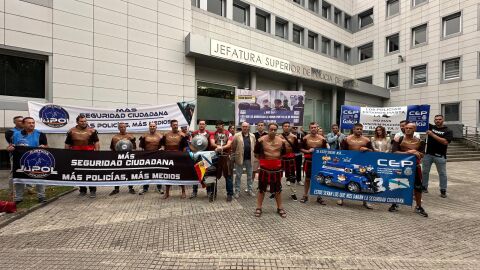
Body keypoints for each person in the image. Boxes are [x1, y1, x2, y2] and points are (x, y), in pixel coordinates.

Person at [390, 123, 428, 217]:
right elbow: (394, 152)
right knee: (397, 184)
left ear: (414, 129)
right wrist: (410, 152)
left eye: (410, 128)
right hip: (400, 167)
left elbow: (422, 154)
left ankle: (418, 206)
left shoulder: (420, 141)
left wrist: (417, 152)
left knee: (418, 187)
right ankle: (395, 203)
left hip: (415, 167)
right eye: (406, 128)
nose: (407, 129)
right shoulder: (399, 140)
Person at [7, 117, 48, 204]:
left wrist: (43, 147)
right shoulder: (16, 134)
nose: (31, 124)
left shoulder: (40, 134)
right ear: (23, 124)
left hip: (35, 159)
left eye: (33, 123)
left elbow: (46, 146)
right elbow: (11, 146)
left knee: (39, 177)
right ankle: (18, 198)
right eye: (29, 123)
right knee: (19, 178)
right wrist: (9, 148)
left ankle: (41, 196)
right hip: (19, 159)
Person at [253, 123, 287, 218]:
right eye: (271, 129)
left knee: (277, 189)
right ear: (268, 129)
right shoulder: (260, 140)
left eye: (274, 130)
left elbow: (283, 154)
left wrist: (275, 162)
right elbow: (256, 153)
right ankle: (259, 207)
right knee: (261, 189)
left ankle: (280, 207)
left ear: (277, 130)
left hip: (276, 169)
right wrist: (265, 162)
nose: (273, 131)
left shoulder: (281, 141)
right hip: (264, 168)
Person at [339, 123, 374, 209]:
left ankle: (366, 201)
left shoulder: (366, 140)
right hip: (349, 163)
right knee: (344, 178)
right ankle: (341, 198)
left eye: (360, 129)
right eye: (357, 129)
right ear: (353, 129)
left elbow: (373, 151)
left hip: (363, 163)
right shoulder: (347, 139)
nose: (359, 130)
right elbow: (342, 152)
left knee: (365, 180)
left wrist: (367, 149)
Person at [65, 114, 100, 198]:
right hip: (76, 155)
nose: (83, 122)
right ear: (77, 122)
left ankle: (92, 190)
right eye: (81, 121)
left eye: (85, 121)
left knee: (90, 173)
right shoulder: (71, 131)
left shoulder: (92, 131)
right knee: (79, 172)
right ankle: (82, 190)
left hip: (89, 154)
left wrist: (97, 153)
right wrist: (66, 154)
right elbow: (67, 144)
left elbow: (96, 142)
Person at [422, 115, 453, 197]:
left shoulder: (448, 130)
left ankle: (443, 190)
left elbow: (445, 142)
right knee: (424, 172)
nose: (437, 121)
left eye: (439, 119)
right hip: (428, 154)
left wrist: (432, 134)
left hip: (440, 156)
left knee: (442, 173)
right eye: (436, 119)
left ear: (443, 120)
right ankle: (424, 187)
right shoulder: (431, 127)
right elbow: (421, 121)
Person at [299, 122, 328, 205]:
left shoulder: (322, 139)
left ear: (317, 128)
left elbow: (326, 150)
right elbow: (300, 148)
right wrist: (307, 151)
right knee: (307, 179)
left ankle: (319, 196)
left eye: (315, 127)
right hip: (308, 161)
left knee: (319, 178)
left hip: (319, 162)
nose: (313, 129)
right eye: (312, 127)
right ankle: (305, 195)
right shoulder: (305, 138)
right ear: (309, 128)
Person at [160, 119, 188, 199]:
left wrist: (182, 155)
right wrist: (162, 149)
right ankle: (167, 193)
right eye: (174, 125)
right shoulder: (166, 135)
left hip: (178, 157)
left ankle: (183, 191)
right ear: (171, 126)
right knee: (168, 174)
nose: (175, 126)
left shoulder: (182, 135)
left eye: (176, 125)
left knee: (180, 174)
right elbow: (162, 144)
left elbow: (185, 147)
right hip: (168, 157)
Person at [210, 120, 234, 202]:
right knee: (213, 175)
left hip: (226, 156)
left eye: (219, 126)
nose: (218, 128)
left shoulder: (229, 133)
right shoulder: (213, 134)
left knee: (228, 176)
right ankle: (212, 193)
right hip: (216, 156)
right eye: (216, 126)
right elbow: (212, 143)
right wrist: (217, 147)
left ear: (223, 125)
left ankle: (230, 194)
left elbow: (229, 144)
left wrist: (221, 148)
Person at [109, 123, 136, 195]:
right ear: (118, 128)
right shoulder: (114, 137)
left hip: (128, 158)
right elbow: (112, 148)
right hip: (117, 159)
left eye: (124, 127)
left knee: (129, 173)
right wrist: (113, 158)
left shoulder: (131, 137)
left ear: (126, 127)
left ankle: (131, 188)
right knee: (116, 173)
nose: (123, 128)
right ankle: (116, 189)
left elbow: (134, 148)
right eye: (121, 127)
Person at [138, 122, 163, 195]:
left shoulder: (160, 136)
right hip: (147, 157)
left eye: (153, 126)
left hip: (157, 157)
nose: (152, 127)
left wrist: (162, 149)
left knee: (158, 172)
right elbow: (141, 147)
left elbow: (163, 146)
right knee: (146, 173)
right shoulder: (144, 136)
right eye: (151, 126)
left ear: (156, 127)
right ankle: (145, 188)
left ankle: (159, 188)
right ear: (149, 127)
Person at [232, 122, 256, 198]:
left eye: (246, 126)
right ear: (241, 127)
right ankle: (237, 191)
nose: (245, 128)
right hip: (240, 158)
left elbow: (254, 146)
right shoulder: (236, 135)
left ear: (248, 127)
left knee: (250, 175)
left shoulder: (252, 136)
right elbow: (234, 146)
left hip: (249, 158)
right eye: (243, 126)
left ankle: (250, 189)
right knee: (238, 175)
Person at [189, 119, 211, 199]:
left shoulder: (209, 134)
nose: (201, 125)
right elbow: (191, 145)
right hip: (196, 156)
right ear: (198, 125)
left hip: (206, 157)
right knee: (196, 174)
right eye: (200, 124)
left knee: (207, 174)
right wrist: (194, 151)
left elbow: (211, 145)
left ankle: (209, 192)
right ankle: (194, 192)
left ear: (205, 125)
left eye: (203, 124)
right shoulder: (194, 134)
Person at [281, 122, 300, 201]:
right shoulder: (278, 136)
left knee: (292, 177)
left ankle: (293, 193)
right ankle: (275, 191)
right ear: (282, 127)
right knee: (277, 175)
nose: (287, 127)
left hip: (291, 159)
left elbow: (297, 149)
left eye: (288, 126)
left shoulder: (294, 137)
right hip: (281, 158)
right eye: (285, 126)